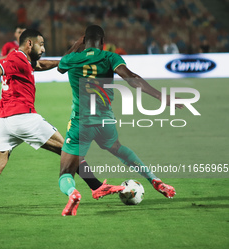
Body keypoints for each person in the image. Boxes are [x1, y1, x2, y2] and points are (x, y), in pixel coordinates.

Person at [0, 29, 124, 212]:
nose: (43, 49)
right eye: (41, 45)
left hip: (5, 122)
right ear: (29, 43)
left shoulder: (25, 61)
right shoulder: (16, 57)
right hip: (23, 117)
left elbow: (43, 65)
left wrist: (74, 49)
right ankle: (96, 187)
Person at [57, 25, 183, 216]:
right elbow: (131, 78)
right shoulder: (110, 57)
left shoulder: (71, 59)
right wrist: (160, 96)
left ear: (84, 40)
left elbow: (59, 67)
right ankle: (154, 179)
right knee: (117, 148)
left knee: (66, 170)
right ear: (103, 41)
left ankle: (73, 193)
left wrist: (76, 45)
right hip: (105, 121)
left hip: (80, 123)